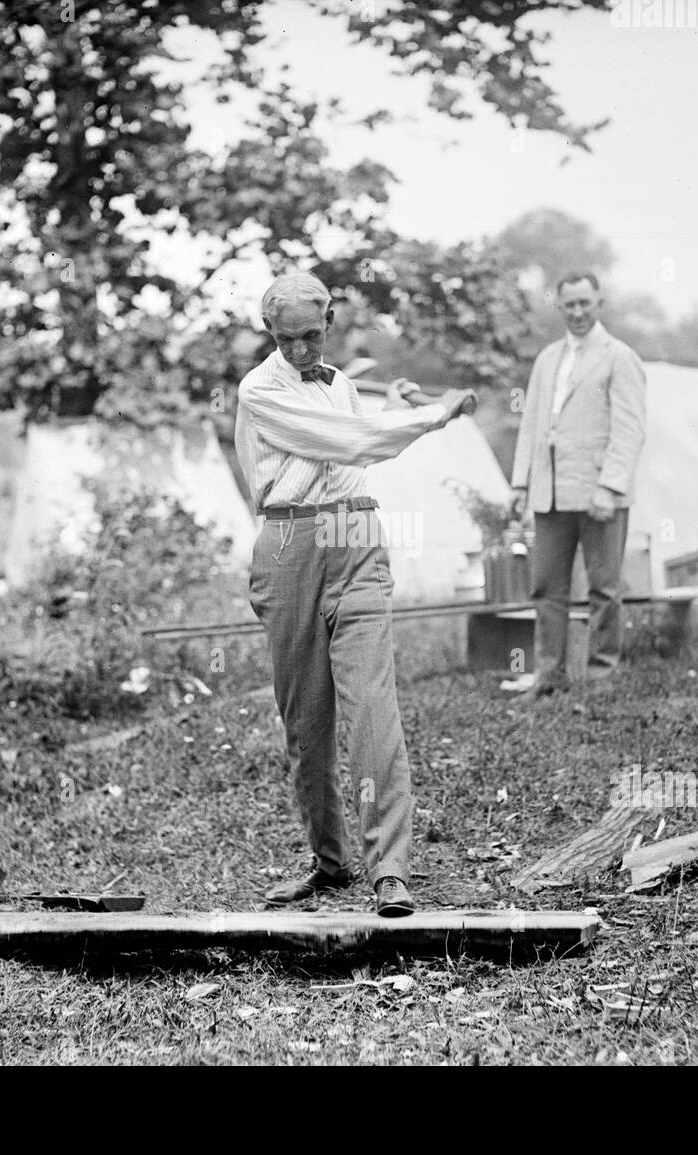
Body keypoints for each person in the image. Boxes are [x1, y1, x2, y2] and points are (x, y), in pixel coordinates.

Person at [235, 271, 476, 916]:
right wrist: (430, 415)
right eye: (286, 341)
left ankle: (390, 869)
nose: (300, 352)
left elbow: (352, 430)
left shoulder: (339, 384)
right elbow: (351, 441)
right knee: (306, 718)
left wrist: (388, 398)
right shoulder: (258, 390)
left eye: (311, 336)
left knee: (374, 704)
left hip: (357, 533)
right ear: (270, 335)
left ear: (330, 321)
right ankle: (330, 861)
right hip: (291, 546)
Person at [510, 272, 646, 700]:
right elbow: (531, 425)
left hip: (598, 493)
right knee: (547, 588)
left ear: (599, 303)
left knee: (604, 588)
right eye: (569, 305)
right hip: (550, 494)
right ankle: (549, 676)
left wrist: (610, 487)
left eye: (585, 303)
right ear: (560, 307)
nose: (578, 312)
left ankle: (601, 678)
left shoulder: (619, 357)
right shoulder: (548, 358)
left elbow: (630, 430)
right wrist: (520, 485)